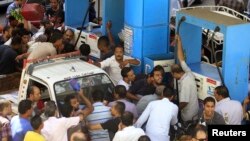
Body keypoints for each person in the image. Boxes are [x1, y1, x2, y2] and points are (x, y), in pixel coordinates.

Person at [171, 35, 199, 122]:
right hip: (194, 111)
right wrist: (179, 41)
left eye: (172, 75)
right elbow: (181, 58)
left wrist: (175, 110)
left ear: (176, 73)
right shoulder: (188, 72)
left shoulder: (185, 84)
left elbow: (184, 102)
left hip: (188, 116)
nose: (173, 77)